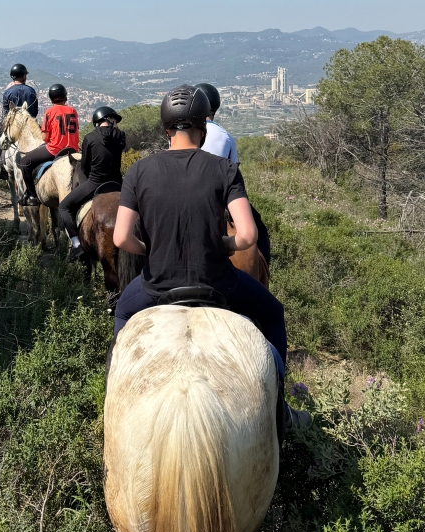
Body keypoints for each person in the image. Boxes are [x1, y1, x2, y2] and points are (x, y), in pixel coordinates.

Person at [112, 84, 309, 431]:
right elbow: (247, 235)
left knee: (123, 312)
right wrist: (223, 244)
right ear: (204, 126)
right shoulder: (223, 169)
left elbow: (121, 237)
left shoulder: (138, 172)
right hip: (218, 283)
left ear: (166, 127)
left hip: (157, 287)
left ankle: (111, 405)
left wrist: (150, 250)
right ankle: (281, 408)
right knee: (273, 313)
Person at [196, 82, 271, 265]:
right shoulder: (225, 136)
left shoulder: (181, 133)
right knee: (259, 230)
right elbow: (233, 173)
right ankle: (264, 272)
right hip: (219, 200)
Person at [60, 106, 127, 261]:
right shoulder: (121, 135)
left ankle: (76, 244)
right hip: (117, 184)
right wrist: (115, 128)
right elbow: (118, 143)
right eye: (114, 120)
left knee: (65, 206)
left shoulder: (89, 138)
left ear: (97, 120)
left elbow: (84, 166)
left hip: (95, 183)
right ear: (110, 120)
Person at [18, 83, 79, 206]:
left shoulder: (49, 112)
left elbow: (45, 138)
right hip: (73, 150)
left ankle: (32, 196)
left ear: (51, 98)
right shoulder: (73, 111)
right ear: (65, 97)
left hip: (54, 150)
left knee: (24, 162)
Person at [0, 63, 38, 179]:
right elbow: (35, 112)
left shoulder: (8, 92)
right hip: (29, 125)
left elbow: (7, 114)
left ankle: (2, 171)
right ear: (23, 76)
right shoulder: (31, 91)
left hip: (13, 126)